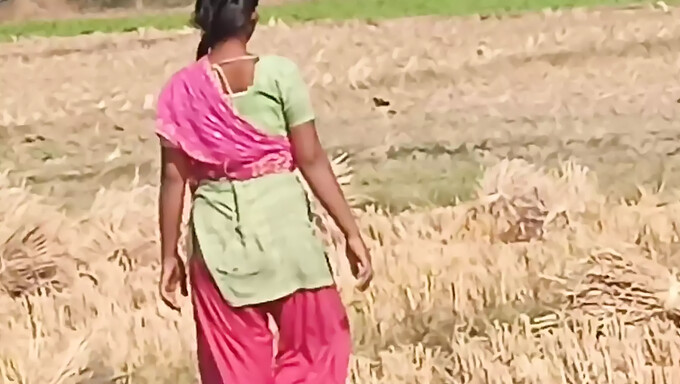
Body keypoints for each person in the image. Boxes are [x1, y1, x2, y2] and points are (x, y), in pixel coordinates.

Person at [154, 0, 374, 383]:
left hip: (217, 243)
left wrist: (168, 255)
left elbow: (173, 179)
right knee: (318, 346)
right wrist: (350, 232)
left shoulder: (180, 89)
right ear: (251, 19)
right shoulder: (279, 74)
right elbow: (312, 159)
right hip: (287, 236)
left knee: (234, 367)